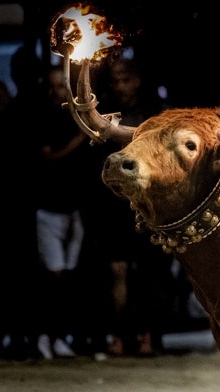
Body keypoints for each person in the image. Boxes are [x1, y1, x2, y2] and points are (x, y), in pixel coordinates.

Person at [82, 56, 176, 357]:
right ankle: (119, 335)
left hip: (149, 203)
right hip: (113, 205)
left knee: (149, 272)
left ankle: (147, 334)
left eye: (127, 79)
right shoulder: (106, 114)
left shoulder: (157, 116)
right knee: (117, 270)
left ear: (138, 80)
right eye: (116, 80)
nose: (121, 86)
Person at [31, 63, 92, 359]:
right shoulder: (45, 119)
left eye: (63, 85)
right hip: (50, 212)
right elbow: (49, 157)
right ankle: (44, 337)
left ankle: (60, 338)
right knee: (53, 277)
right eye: (54, 86)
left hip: (74, 211)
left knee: (68, 278)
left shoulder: (80, 118)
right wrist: (80, 140)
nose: (59, 91)